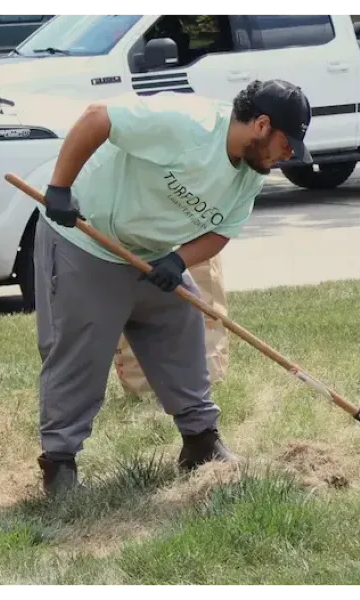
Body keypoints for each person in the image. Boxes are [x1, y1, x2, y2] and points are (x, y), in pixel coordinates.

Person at [34, 79, 313, 496]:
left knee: (182, 326)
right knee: (79, 352)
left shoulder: (250, 174)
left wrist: (178, 260)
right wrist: (60, 187)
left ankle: (201, 442)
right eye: (286, 145)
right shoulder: (189, 125)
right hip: (87, 239)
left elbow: (222, 230)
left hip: (149, 255)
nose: (286, 157)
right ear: (261, 125)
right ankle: (60, 465)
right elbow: (98, 117)